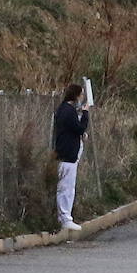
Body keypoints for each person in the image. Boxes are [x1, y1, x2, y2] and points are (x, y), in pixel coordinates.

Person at [52, 83, 91, 232]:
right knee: (66, 188)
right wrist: (85, 113)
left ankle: (65, 217)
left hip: (66, 153)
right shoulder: (68, 111)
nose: (82, 98)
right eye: (81, 95)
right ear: (75, 96)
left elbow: (74, 130)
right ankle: (65, 218)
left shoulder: (64, 110)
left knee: (67, 187)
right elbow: (79, 127)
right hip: (68, 154)